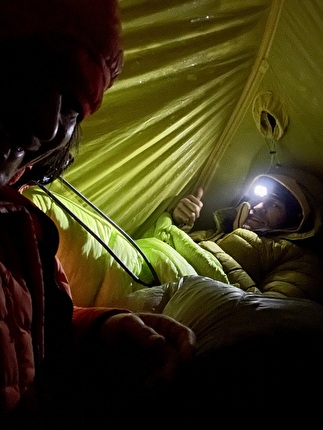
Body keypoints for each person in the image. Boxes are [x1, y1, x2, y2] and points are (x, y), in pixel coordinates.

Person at [0, 1, 196, 428]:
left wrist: (99, 331)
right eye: (28, 71)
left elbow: (25, 333)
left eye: (71, 105)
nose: (46, 126)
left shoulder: (22, 226)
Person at [171, 168, 323, 304]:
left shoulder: (300, 262)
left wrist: (212, 260)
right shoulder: (219, 232)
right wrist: (179, 223)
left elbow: (266, 316)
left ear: (297, 219)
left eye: (274, 204)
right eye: (258, 198)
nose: (257, 208)